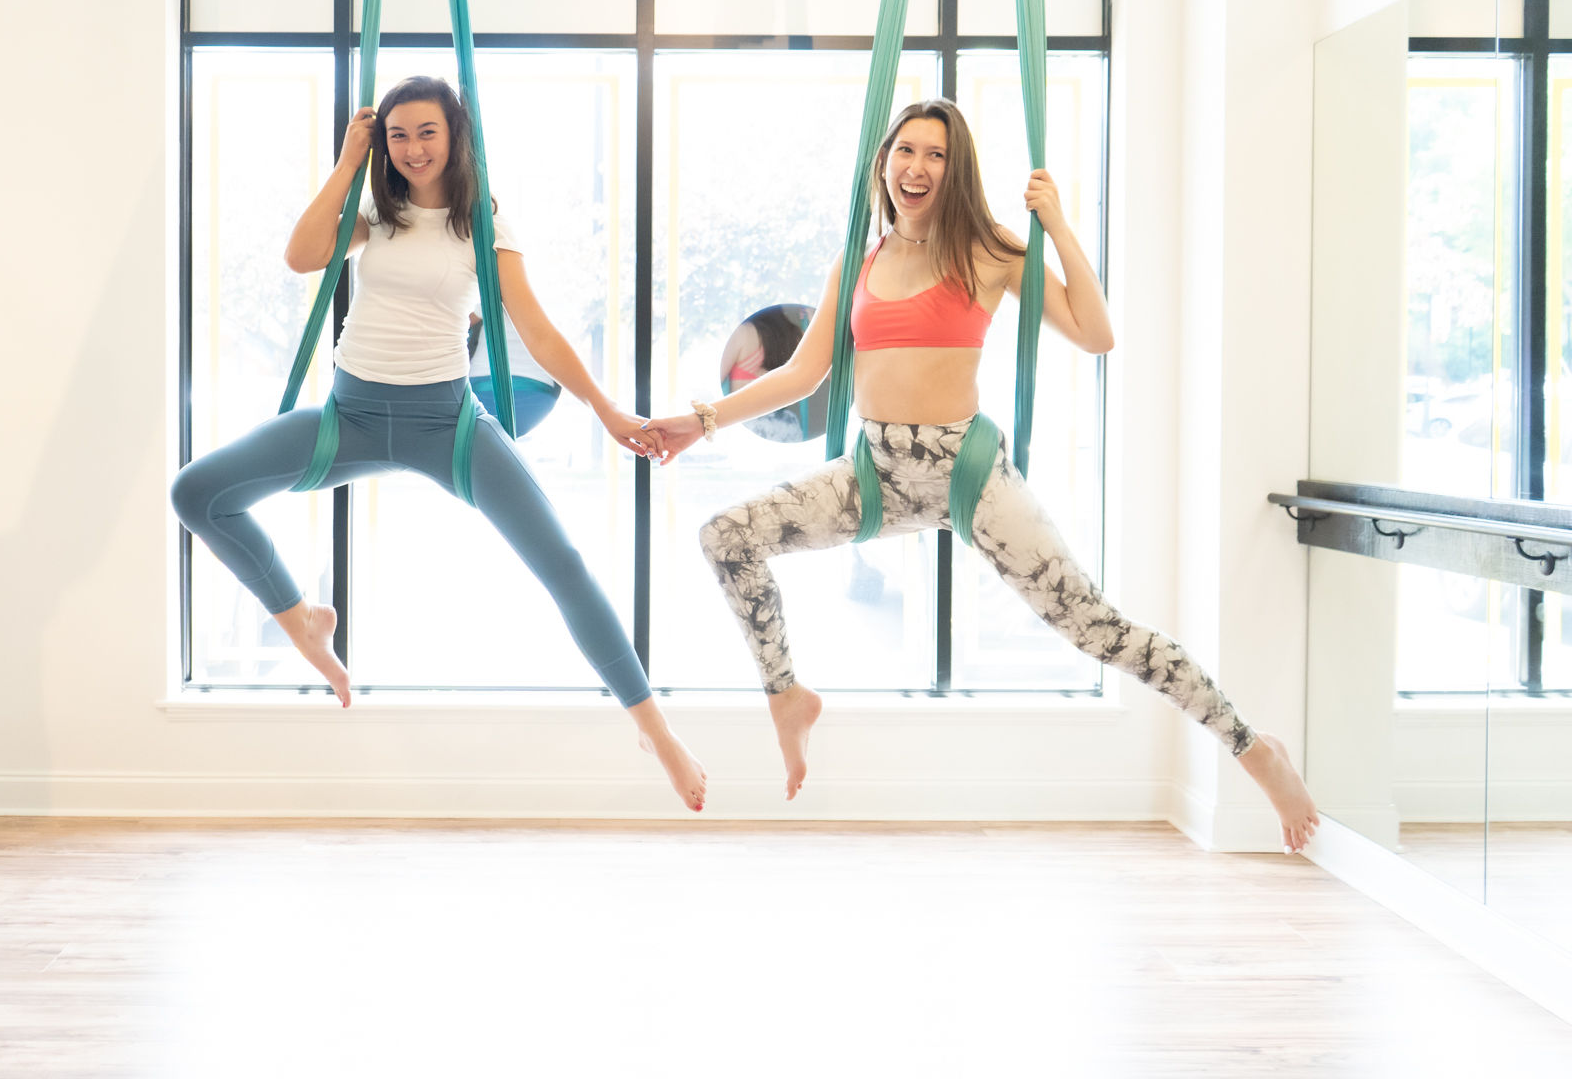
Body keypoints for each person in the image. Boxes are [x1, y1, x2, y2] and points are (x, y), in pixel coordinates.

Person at [644, 98, 1318, 850]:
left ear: (954, 168)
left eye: (935, 154)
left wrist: (1056, 226)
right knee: (726, 536)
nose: (917, 167)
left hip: (968, 472)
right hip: (876, 473)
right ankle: (788, 698)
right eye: (906, 151)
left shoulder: (988, 252)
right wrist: (700, 421)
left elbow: (1097, 334)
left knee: (1097, 627)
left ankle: (1256, 752)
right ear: (885, 164)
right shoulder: (858, 261)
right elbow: (804, 374)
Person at [172, 76, 707, 811]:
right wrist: (348, 162)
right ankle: (303, 621)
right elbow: (301, 256)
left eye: (427, 132)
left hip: (446, 425)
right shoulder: (372, 213)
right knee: (196, 493)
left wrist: (607, 409)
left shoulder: (480, 222)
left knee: (564, 564)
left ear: (454, 136)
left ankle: (654, 728)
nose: (414, 148)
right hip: (349, 417)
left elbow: (541, 332)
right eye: (398, 135)